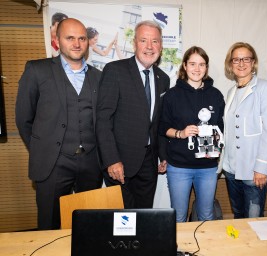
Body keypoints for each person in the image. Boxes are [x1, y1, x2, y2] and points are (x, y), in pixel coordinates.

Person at [15, 18, 103, 230]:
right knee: (49, 225)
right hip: (52, 164)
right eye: (70, 38)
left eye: (82, 38)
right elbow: (24, 119)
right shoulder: (37, 70)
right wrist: (43, 148)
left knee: (89, 227)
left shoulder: (99, 77)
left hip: (91, 164)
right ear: (57, 40)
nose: (77, 43)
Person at [96, 20, 170, 209]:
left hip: (149, 164)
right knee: (122, 221)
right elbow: (103, 120)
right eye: (144, 40)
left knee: (144, 217)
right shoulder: (115, 71)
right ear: (134, 43)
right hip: (120, 162)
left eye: (155, 41)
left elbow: (159, 123)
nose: (149, 47)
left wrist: (163, 155)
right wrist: (112, 160)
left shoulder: (164, 79)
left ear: (160, 45)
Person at [159, 46, 225, 222]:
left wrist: (216, 145)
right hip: (179, 167)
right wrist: (181, 133)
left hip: (208, 167)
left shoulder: (216, 95)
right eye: (193, 64)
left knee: (206, 216)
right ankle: (179, 250)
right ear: (185, 66)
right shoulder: (172, 95)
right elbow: (163, 127)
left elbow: (220, 127)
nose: (197, 69)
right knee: (179, 217)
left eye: (202, 64)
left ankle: (203, 250)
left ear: (206, 68)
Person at [219, 42, 267, 218]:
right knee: (238, 214)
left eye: (246, 59)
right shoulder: (231, 92)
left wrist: (262, 167)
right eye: (236, 59)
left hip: (254, 171)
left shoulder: (266, 88)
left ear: (253, 62)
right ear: (230, 64)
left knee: (253, 218)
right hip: (231, 169)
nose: (241, 63)